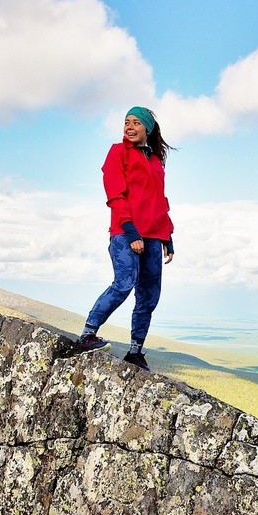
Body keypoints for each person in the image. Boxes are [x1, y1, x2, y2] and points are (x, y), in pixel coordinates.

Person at [74, 106, 174, 372]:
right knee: (124, 283)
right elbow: (115, 193)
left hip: (154, 236)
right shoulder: (118, 152)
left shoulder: (154, 161)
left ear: (147, 129)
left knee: (149, 296)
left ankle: (135, 352)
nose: (129, 127)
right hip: (125, 231)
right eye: (126, 122)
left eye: (136, 123)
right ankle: (87, 335)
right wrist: (130, 231)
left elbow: (160, 202)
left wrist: (168, 236)